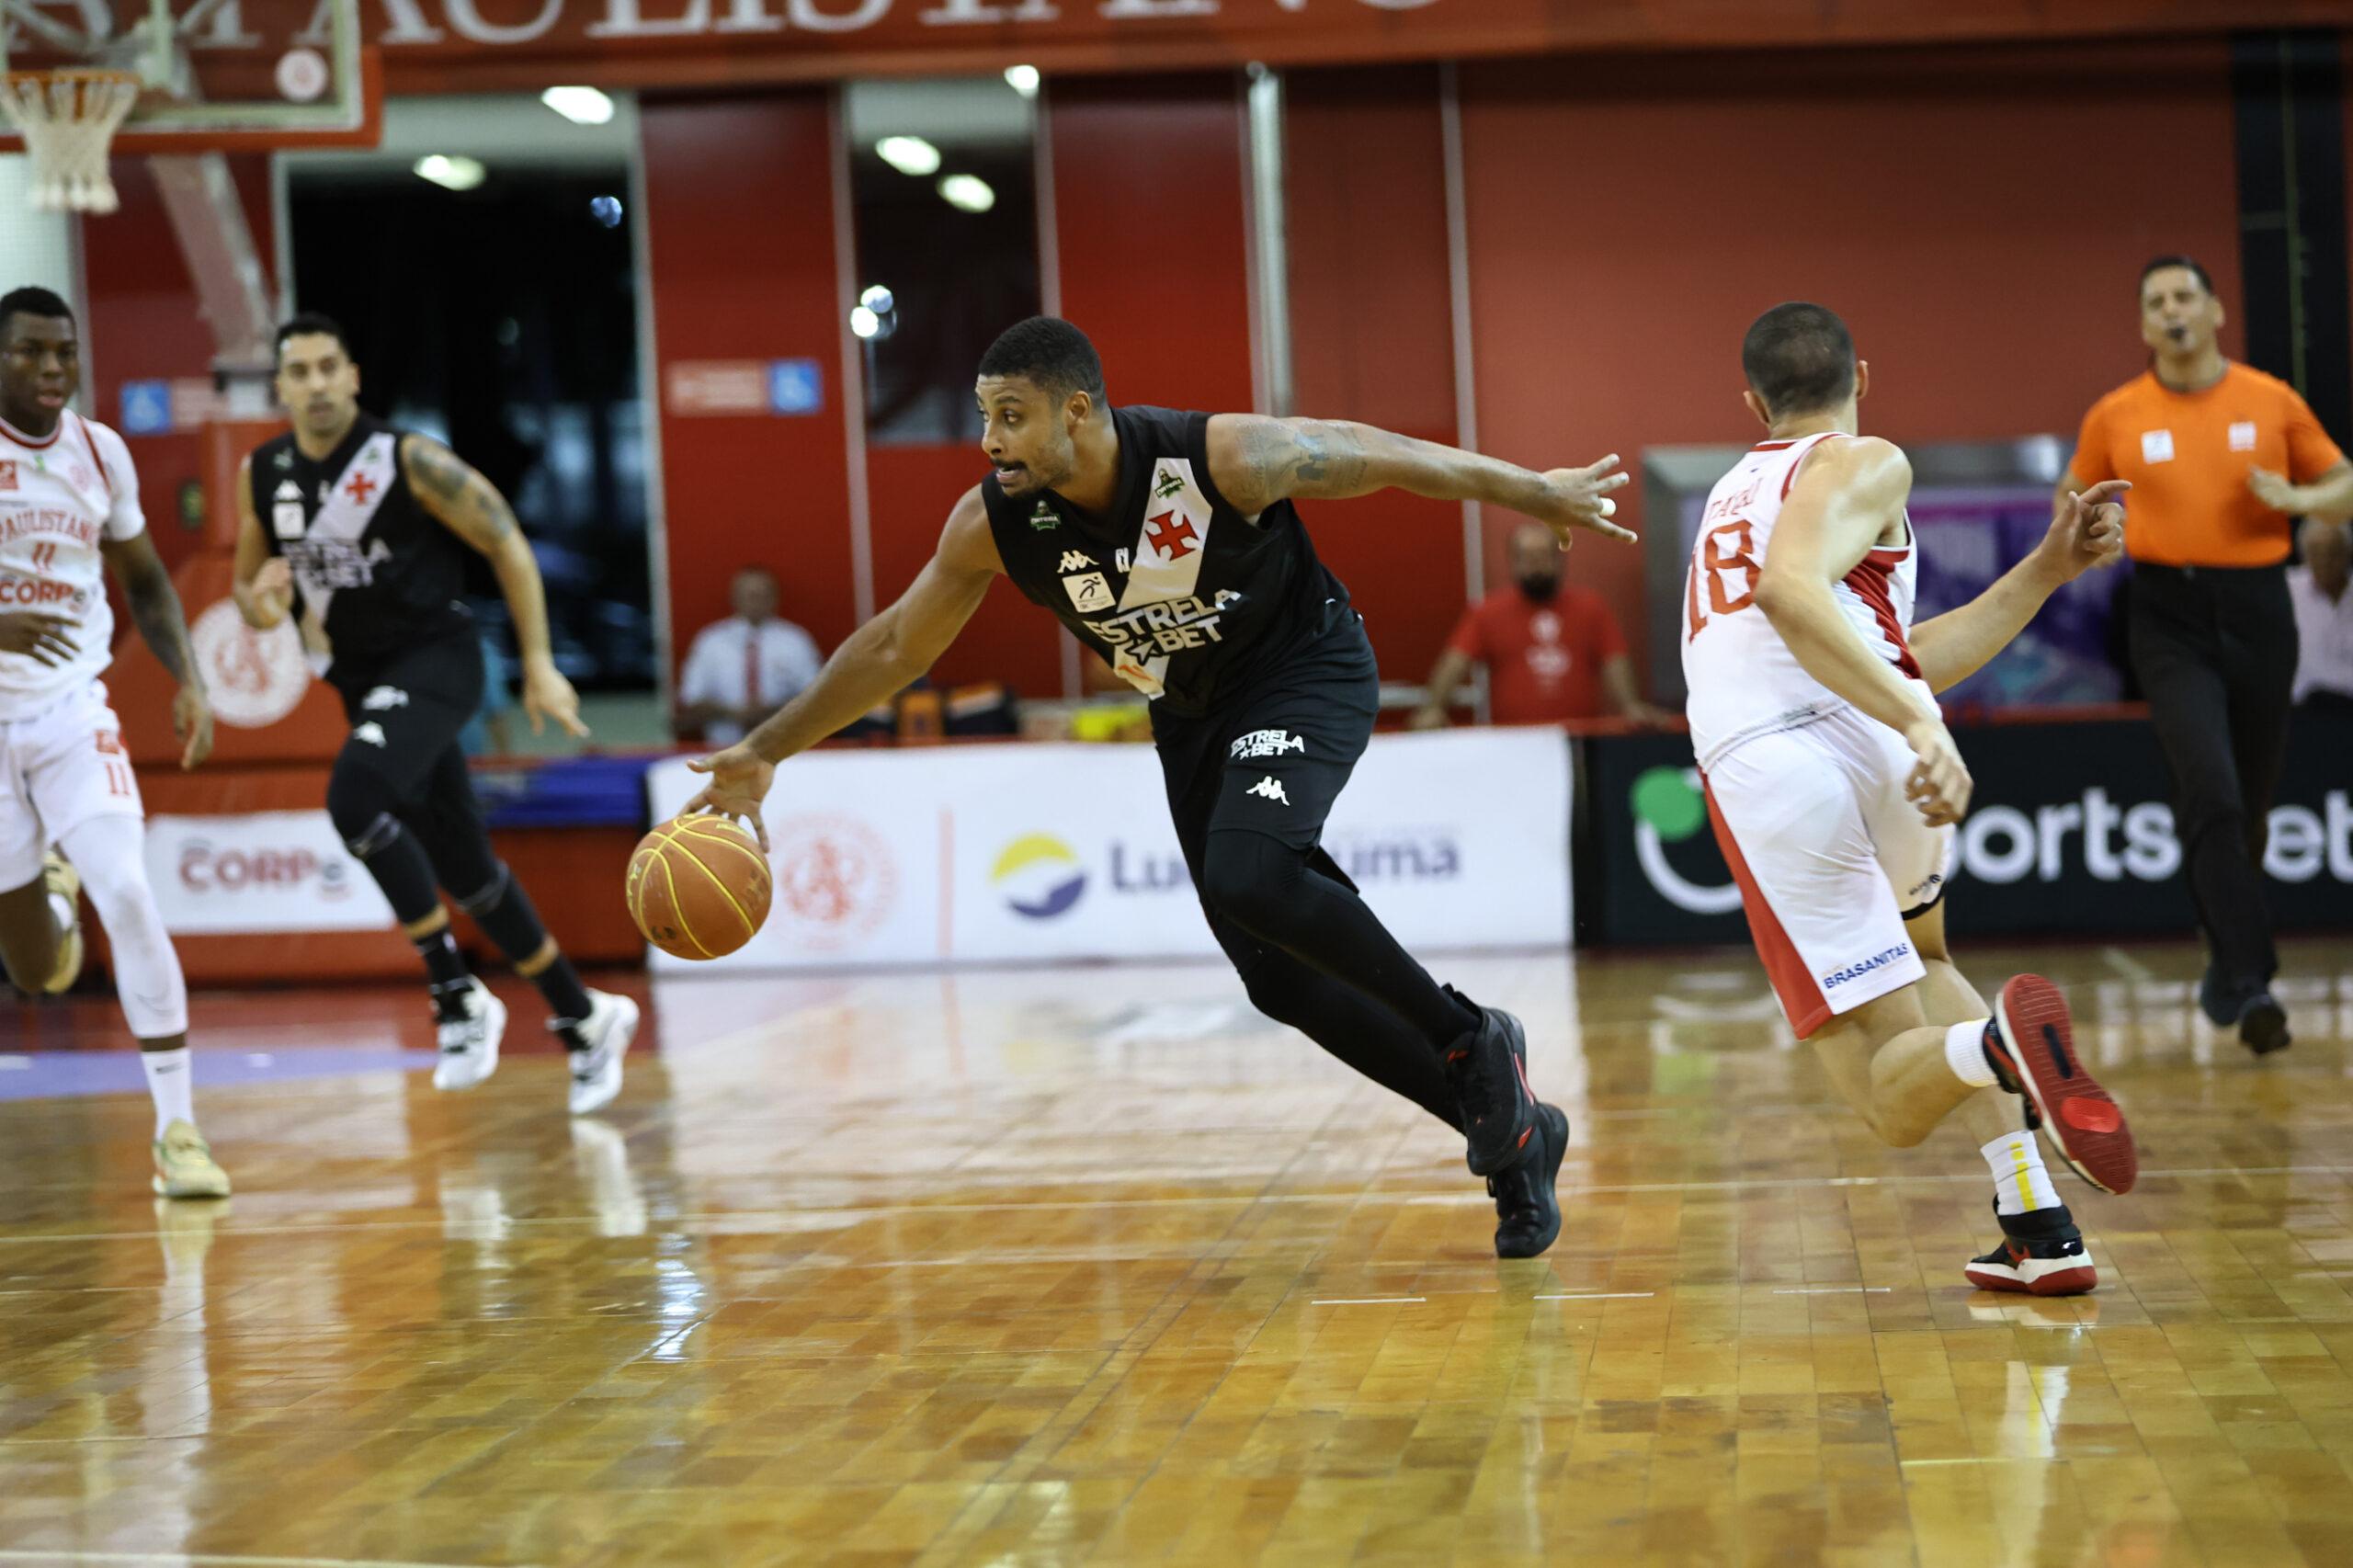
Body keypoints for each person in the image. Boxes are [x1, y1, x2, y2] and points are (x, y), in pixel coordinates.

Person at [685, 317, 1631, 1258]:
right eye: (985, 416)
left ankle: (1471, 1037)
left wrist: (1530, 488)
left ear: (1079, 411)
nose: (990, 441)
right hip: (1190, 712)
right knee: (1276, 976)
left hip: (1305, 666)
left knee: (1252, 874)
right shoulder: (996, 522)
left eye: (1012, 416)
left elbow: (1369, 450)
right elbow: (896, 644)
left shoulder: (1216, 459)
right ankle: (1513, 1135)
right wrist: (768, 748)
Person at [1688, 302, 2137, 1295]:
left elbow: (1786, 595)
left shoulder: (1771, 482)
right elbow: (1898, 655)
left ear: (1753, 402)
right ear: (1862, 368)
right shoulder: (1847, 480)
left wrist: (1923, 721)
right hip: (1869, 731)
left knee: (1889, 1097)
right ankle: (2036, 1221)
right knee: (1926, 958)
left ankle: (1992, 1044)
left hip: (1779, 757)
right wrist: (2047, 571)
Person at [230, 313, 638, 1114]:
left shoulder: (404, 460)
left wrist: (543, 666)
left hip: (440, 662)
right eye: (298, 372)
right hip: (361, 678)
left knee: (352, 801)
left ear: (352, 377)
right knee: (467, 870)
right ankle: (586, 1018)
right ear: (280, 387)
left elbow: (507, 541)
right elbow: (250, 596)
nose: (314, 384)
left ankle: (456, 996)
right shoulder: (263, 472)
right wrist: (264, 606)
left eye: (326, 367)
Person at [2060, 256, 2353, 1056]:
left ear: (2216, 310)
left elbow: (2344, 483)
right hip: (2165, 613)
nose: (2172, 310)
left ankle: (2225, 958)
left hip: (2260, 607)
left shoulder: (2270, 399)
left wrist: (2299, 501)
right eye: (2155, 301)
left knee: (2244, 806)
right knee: (2211, 788)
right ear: (2144, 325)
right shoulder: (2117, 413)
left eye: (2185, 295)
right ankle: (2253, 979)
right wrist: (2091, 534)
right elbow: (2072, 495)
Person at [0, 286, 228, 1198]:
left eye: (65, 352)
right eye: (29, 353)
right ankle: (48, 895)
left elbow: (143, 578)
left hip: (69, 712)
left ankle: (179, 1133)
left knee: (131, 892)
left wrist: (191, 677)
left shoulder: (100, 452)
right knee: (34, 969)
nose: (53, 370)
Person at [1412, 520, 1669, 727]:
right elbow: (1455, 661)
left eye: (1544, 557)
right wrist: (1433, 708)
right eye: (1528, 558)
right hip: (1512, 741)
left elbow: (1614, 660)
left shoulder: (1591, 608)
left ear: (1560, 560)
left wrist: (1629, 706)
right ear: (1513, 561)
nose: (1537, 566)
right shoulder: (1487, 612)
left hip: (1579, 738)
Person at [676, 564, 823, 745]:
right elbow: (691, 699)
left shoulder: (796, 641)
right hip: (722, 749)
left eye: (763, 595)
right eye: (750, 595)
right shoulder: (710, 642)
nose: (756, 601)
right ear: (734, 597)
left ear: (775, 598)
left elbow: (817, 696)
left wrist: (770, 712)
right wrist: (734, 714)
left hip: (786, 747)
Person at [2289, 517, 2353, 711]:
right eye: (2316, 553)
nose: (2324, 561)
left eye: (2333, 553)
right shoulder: (2287, 590)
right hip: (2305, 709)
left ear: (2348, 553)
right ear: (2304, 555)